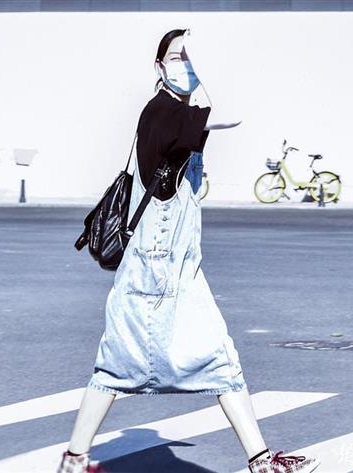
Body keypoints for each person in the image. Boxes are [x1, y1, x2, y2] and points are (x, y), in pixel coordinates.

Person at [56, 29, 321, 473]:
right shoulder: (164, 112)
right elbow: (230, 115)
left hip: (177, 267)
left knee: (215, 359)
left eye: (191, 57)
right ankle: (75, 458)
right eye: (179, 57)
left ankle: (260, 461)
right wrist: (201, 71)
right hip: (155, 268)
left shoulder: (177, 112)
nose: (187, 64)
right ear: (160, 66)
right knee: (118, 365)